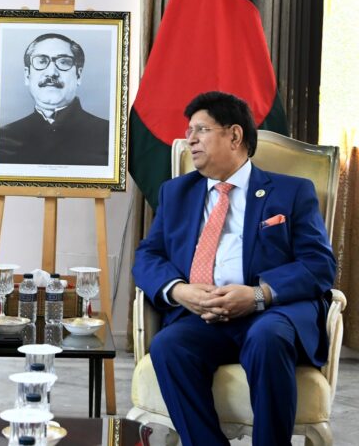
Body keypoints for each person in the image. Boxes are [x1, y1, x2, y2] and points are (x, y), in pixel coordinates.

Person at [132, 91, 336, 446]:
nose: (190, 139)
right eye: (189, 131)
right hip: (202, 316)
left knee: (267, 338)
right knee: (169, 346)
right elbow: (148, 255)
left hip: (270, 313)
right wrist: (180, 290)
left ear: (235, 135)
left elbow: (319, 264)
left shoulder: (290, 192)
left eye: (201, 129)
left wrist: (258, 294)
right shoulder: (176, 193)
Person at [0, 32, 109, 165]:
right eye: (41, 61)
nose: (51, 73)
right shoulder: (2, 138)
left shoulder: (108, 135)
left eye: (63, 62)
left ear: (78, 76)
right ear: (27, 76)